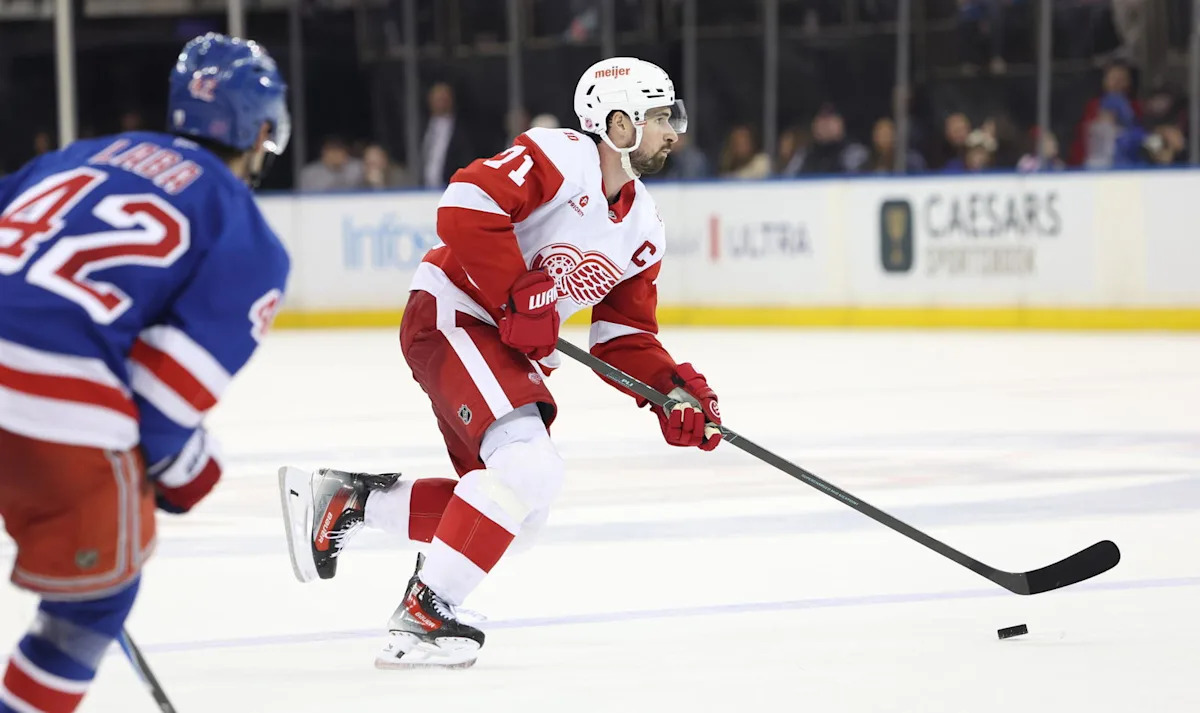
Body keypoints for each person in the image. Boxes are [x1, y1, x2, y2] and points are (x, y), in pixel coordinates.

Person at [280, 57, 722, 670]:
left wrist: (671, 391)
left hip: (503, 344)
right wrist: (514, 290)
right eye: (660, 117)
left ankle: (350, 504)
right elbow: (464, 204)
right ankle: (424, 612)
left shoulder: (644, 227)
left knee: (522, 513)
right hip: (453, 314)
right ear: (618, 124)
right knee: (528, 468)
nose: (673, 131)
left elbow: (623, 336)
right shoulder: (561, 156)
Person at [0, 33, 290, 712]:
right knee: (94, 599)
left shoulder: (77, 155)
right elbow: (159, 418)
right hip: (49, 397)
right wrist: (193, 474)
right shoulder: (245, 233)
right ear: (262, 132)